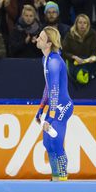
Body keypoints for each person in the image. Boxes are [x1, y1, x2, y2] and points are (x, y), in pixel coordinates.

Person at [35, 26, 74, 181]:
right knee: (47, 144)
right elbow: (48, 86)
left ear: (49, 43)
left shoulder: (54, 62)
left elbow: (55, 91)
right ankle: (56, 177)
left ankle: (63, 179)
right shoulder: (45, 59)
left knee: (56, 144)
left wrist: (50, 117)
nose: (37, 39)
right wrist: (41, 108)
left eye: (41, 38)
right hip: (54, 106)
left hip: (62, 107)